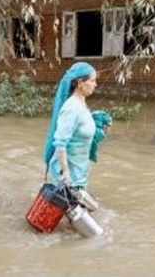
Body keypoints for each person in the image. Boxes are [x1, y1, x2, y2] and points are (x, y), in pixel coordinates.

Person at [43, 62, 111, 210]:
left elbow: (79, 131)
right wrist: (66, 173)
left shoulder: (81, 104)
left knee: (80, 218)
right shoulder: (71, 108)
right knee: (85, 222)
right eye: (92, 80)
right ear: (80, 83)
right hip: (68, 177)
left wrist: (98, 128)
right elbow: (60, 143)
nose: (95, 84)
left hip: (79, 173)